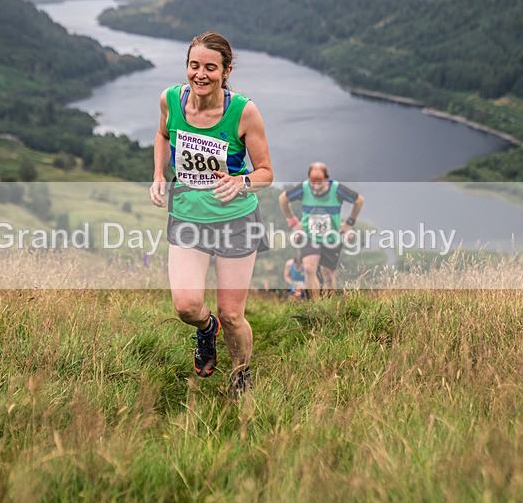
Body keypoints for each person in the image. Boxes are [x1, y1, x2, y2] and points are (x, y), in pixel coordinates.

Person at [149, 32, 273, 399]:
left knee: (233, 314)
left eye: (210, 68)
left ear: (226, 70)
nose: (200, 75)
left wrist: (241, 181)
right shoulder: (170, 99)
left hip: (236, 220)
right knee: (187, 305)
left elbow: (266, 172)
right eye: (193, 66)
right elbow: (161, 136)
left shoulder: (243, 111)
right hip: (188, 216)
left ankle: (241, 375)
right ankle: (206, 329)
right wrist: (158, 175)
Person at [278, 162, 363, 299]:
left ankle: (328, 307)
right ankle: (316, 307)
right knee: (309, 269)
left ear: (327, 178)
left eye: (319, 184)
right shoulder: (304, 187)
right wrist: (293, 222)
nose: (316, 188)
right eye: (313, 184)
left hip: (332, 237)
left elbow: (359, 200)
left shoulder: (337, 189)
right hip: (309, 236)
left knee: (327, 273)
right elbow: (283, 199)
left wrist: (349, 223)